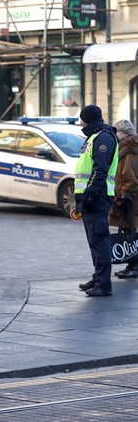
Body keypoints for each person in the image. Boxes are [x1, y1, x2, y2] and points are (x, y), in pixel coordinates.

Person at [76, 104, 119, 297]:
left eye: (81, 119)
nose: (80, 122)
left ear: (88, 119)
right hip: (91, 196)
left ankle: (103, 283)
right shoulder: (95, 136)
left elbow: (100, 170)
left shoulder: (103, 138)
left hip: (97, 197)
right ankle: (98, 277)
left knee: (99, 239)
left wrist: (90, 195)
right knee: (94, 240)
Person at [109, 119, 138, 278]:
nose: (115, 134)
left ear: (126, 133)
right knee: (129, 231)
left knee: (131, 232)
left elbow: (130, 176)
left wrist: (126, 195)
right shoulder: (125, 148)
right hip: (127, 196)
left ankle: (134, 265)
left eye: (117, 130)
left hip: (131, 199)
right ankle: (132, 264)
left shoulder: (130, 150)